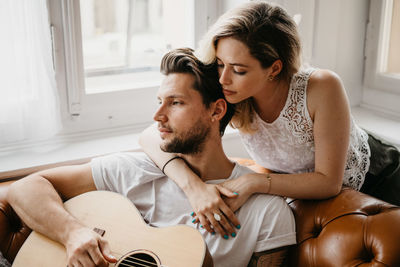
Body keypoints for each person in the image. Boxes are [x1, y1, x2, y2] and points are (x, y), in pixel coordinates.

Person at [8, 48, 296, 267]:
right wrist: (72, 234)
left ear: (216, 111)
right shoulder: (133, 170)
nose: (158, 116)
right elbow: (24, 188)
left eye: (176, 103)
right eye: (160, 102)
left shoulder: (267, 212)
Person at [139, 1, 400, 234]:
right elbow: (150, 136)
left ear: (274, 68)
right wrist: (193, 188)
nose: (223, 78)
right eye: (219, 63)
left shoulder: (321, 86)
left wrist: (253, 181)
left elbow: (329, 182)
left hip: (383, 178)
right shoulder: (228, 89)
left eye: (239, 69)